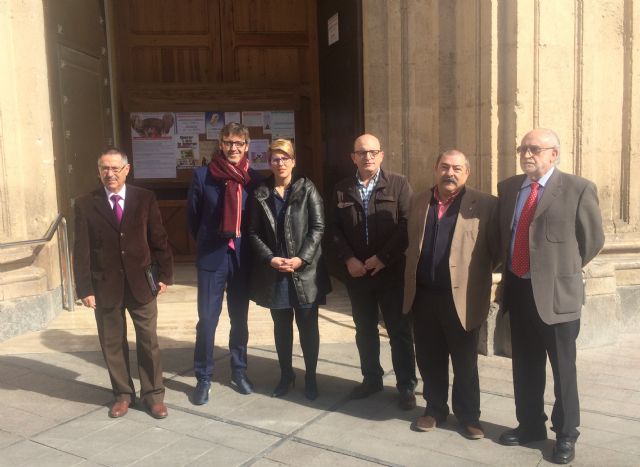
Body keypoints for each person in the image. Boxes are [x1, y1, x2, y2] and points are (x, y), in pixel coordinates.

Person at [497, 129, 605, 464]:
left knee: (563, 369)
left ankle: (566, 435)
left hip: (558, 297)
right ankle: (530, 424)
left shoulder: (577, 188)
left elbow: (592, 241)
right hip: (518, 290)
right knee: (525, 366)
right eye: (523, 148)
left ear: (553, 154)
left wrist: (561, 273)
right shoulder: (509, 188)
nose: (527, 154)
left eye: (535, 149)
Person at [403, 149, 499, 439]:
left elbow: (496, 251)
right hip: (424, 295)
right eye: (445, 167)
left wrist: (474, 277)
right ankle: (434, 409)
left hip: (463, 298)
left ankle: (469, 416)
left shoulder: (485, 204)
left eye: (457, 168)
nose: (450, 173)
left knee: (465, 361)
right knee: (429, 357)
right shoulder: (419, 200)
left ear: (467, 173)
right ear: (435, 169)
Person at [74, 148, 173, 419]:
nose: (110, 174)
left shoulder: (145, 198)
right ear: (98, 171)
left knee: (148, 341)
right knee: (112, 343)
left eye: (115, 168)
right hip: (105, 285)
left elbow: (158, 238)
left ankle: (153, 395)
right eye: (104, 168)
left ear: (126, 170)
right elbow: (81, 250)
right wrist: (85, 289)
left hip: (141, 283)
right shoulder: (85, 204)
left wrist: (165, 274)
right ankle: (122, 394)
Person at [332, 133, 417, 410]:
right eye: (361, 152)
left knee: (399, 331)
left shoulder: (399, 184)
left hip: (391, 273)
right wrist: (349, 260)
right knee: (364, 329)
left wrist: (383, 258)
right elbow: (334, 230)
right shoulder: (341, 189)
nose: (367, 156)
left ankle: (406, 385)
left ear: (381, 155)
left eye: (372, 152)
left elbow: (408, 225)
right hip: (358, 275)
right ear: (353, 157)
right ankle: (371, 379)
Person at [248, 139, 331, 400]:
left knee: (308, 328)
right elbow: (252, 232)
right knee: (281, 329)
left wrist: (302, 259)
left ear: (294, 161)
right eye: (275, 158)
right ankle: (286, 375)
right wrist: (270, 258)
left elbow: (318, 228)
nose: (280, 163)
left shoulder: (308, 190)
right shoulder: (260, 192)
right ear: (269, 162)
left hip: (304, 273)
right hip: (276, 273)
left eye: (285, 158)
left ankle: (311, 377)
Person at [187, 122, 257, 405]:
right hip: (212, 258)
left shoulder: (255, 179)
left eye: (239, 143)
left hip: (241, 259)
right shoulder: (202, 176)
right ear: (220, 144)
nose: (233, 148)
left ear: (247, 147)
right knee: (207, 320)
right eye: (228, 142)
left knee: (239, 319)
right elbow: (192, 219)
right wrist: (208, 243)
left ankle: (239, 371)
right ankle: (203, 377)